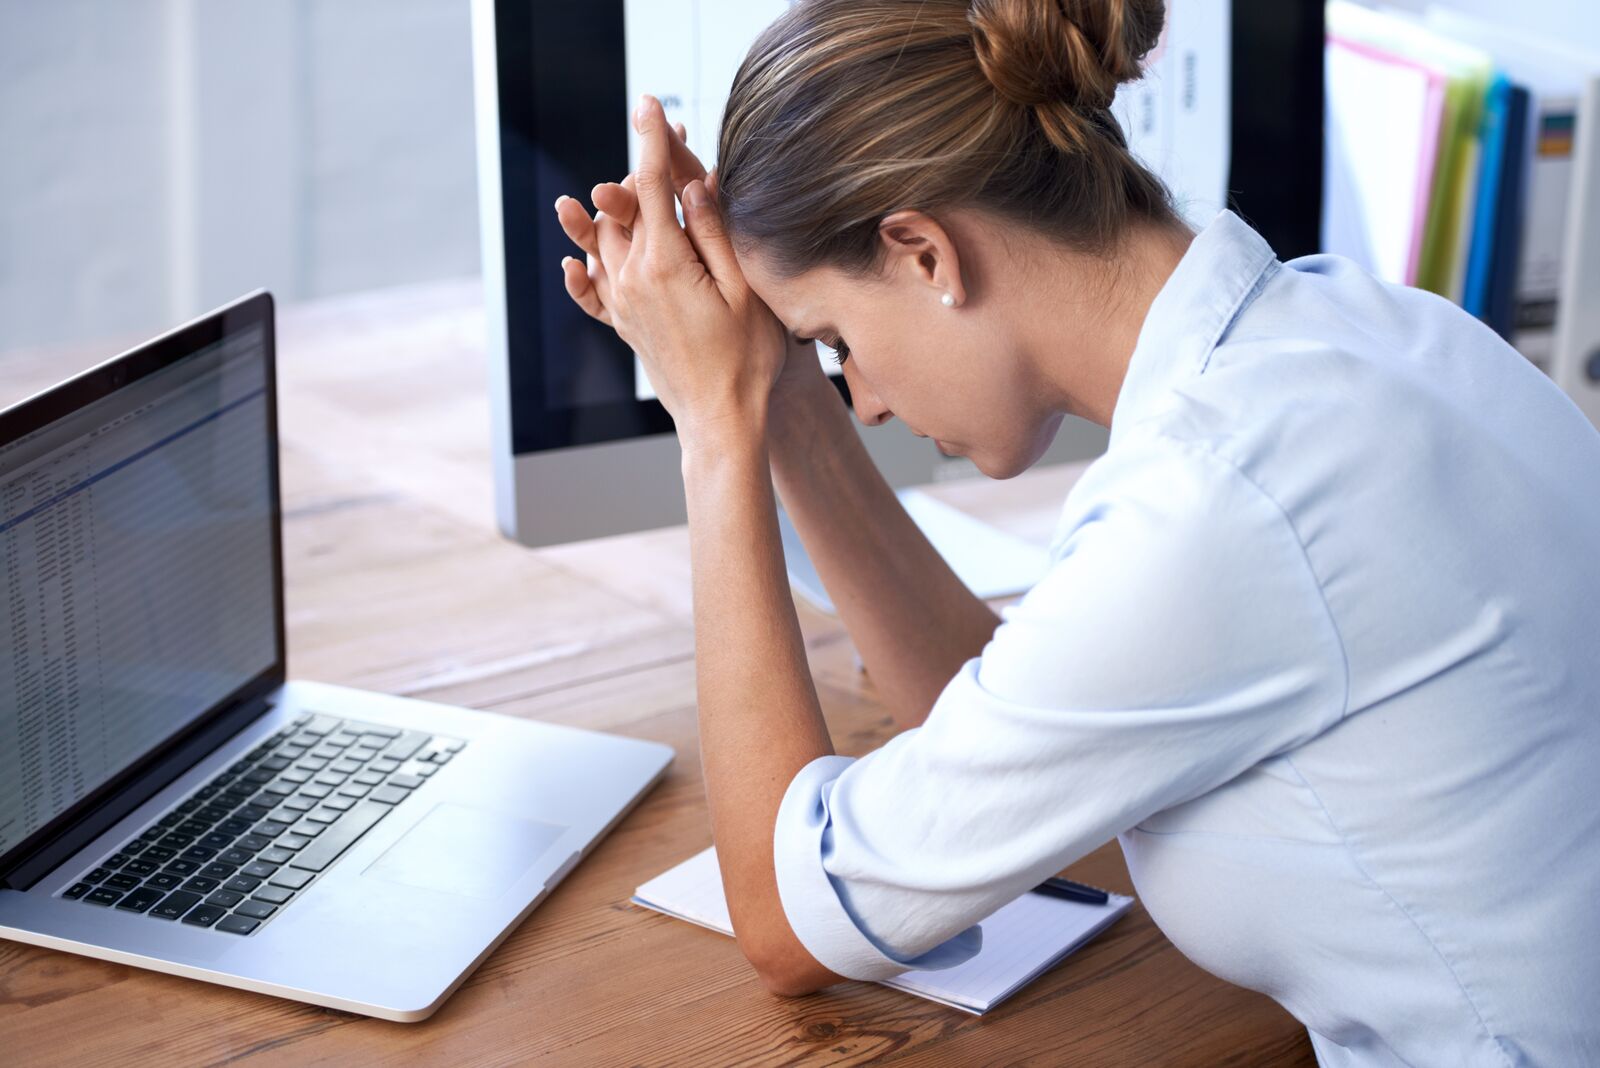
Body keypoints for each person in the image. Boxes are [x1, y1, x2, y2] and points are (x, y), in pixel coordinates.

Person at [551, 0, 1600, 1063]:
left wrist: (714, 429)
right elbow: (1003, 721)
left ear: (922, 254)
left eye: (833, 342)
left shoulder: (1210, 500)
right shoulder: (1362, 334)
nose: (858, 400)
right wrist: (773, 396)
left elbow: (789, 926)